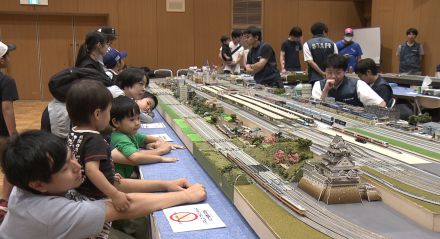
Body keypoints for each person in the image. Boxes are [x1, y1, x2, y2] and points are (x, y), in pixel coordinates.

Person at [0, 130, 206, 238]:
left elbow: (117, 188)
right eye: (65, 167)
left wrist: (166, 184)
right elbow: (124, 207)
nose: (77, 166)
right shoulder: (48, 214)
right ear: (38, 185)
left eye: (73, 157)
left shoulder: (28, 181)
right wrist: (186, 196)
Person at [65, 81, 180, 237]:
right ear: (98, 114)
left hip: (84, 191)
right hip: (95, 196)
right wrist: (115, 194)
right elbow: (92, 170)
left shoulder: (74, 132)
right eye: (108, 111)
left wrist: (108, 174)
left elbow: (84, 164)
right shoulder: (95, 140)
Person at [111, 96, 180, 179]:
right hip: (122, 181)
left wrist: (161, 141)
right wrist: (161, 152)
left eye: (138, 118)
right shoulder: (120, 138)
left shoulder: (129, 133)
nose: (137, 123)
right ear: (116, 122)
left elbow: (145, 139)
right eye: (132, 119)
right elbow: (136, 157)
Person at [312, 54, 386, 107]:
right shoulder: (318, 85)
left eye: (338, 72)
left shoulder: (357, 84)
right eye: (329, 72)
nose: (333, 76)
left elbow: (381, 104)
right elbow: (316, 108)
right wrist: (325, 90)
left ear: (345, 71)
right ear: (324, 71)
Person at [0, 40, 18, 224]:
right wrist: (13, 133)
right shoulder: (6, 80)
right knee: (9, 166)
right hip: (2, 132)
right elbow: (6, 109)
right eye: (7, 54)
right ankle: (4, 203)